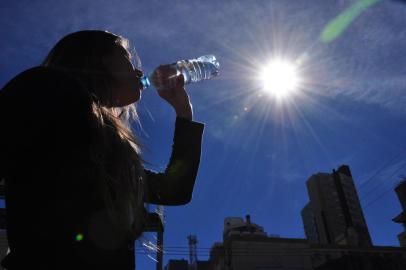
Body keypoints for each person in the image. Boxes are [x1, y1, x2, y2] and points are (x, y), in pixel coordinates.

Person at [0, 30, 204, 269]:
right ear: (96, 59)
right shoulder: (48, 87)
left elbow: (174, 190)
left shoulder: (109, 148)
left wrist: (183, 111)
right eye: (126, 58)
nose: (138, 71)